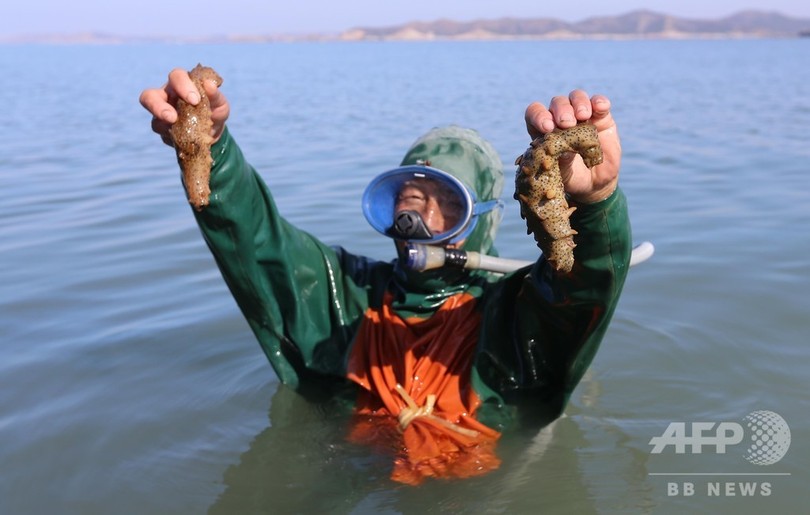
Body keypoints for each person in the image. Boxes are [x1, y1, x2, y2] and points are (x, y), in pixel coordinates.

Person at [139, 69, 631, 485]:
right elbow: (256, 242)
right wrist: (211, 151)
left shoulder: (512, 320)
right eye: (405, 197)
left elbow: (578, 284)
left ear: (479, 218)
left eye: (446, 203)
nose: (415, 217)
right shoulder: (345, 299)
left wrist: (593, 203)